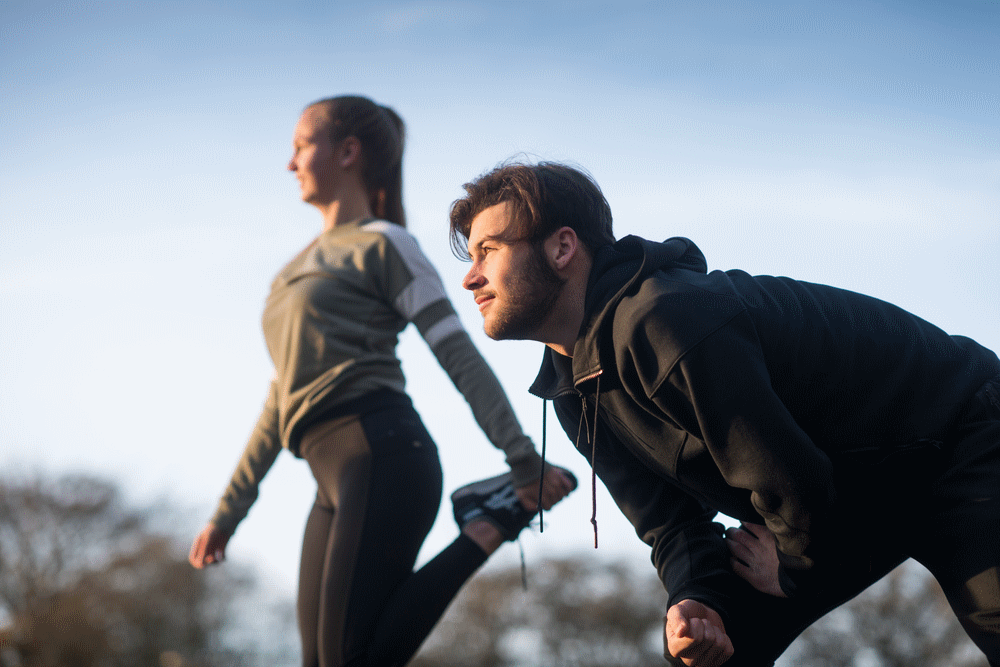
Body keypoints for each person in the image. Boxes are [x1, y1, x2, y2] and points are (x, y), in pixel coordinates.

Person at [447, 160, 1000, 667]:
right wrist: (695, 598)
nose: (470, 278)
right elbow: (669, 522)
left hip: (963, 435)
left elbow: (788, 476)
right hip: (846, 498)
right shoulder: (573, 388)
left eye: (488, 252)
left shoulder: (667, 318)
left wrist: (797, 572)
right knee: (711, 652)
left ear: (562, 248)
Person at [189, 98, 576, 667]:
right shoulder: (287, 274)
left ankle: (495, 518)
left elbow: (457, 354)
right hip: (327, 475)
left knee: (351, 660)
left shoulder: (387, 245)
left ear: (347, 153)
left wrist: (522, 458)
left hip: (383, 453)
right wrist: (229, 511)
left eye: (300, 146)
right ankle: (491, 514)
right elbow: (281, 397)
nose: (289, 162)